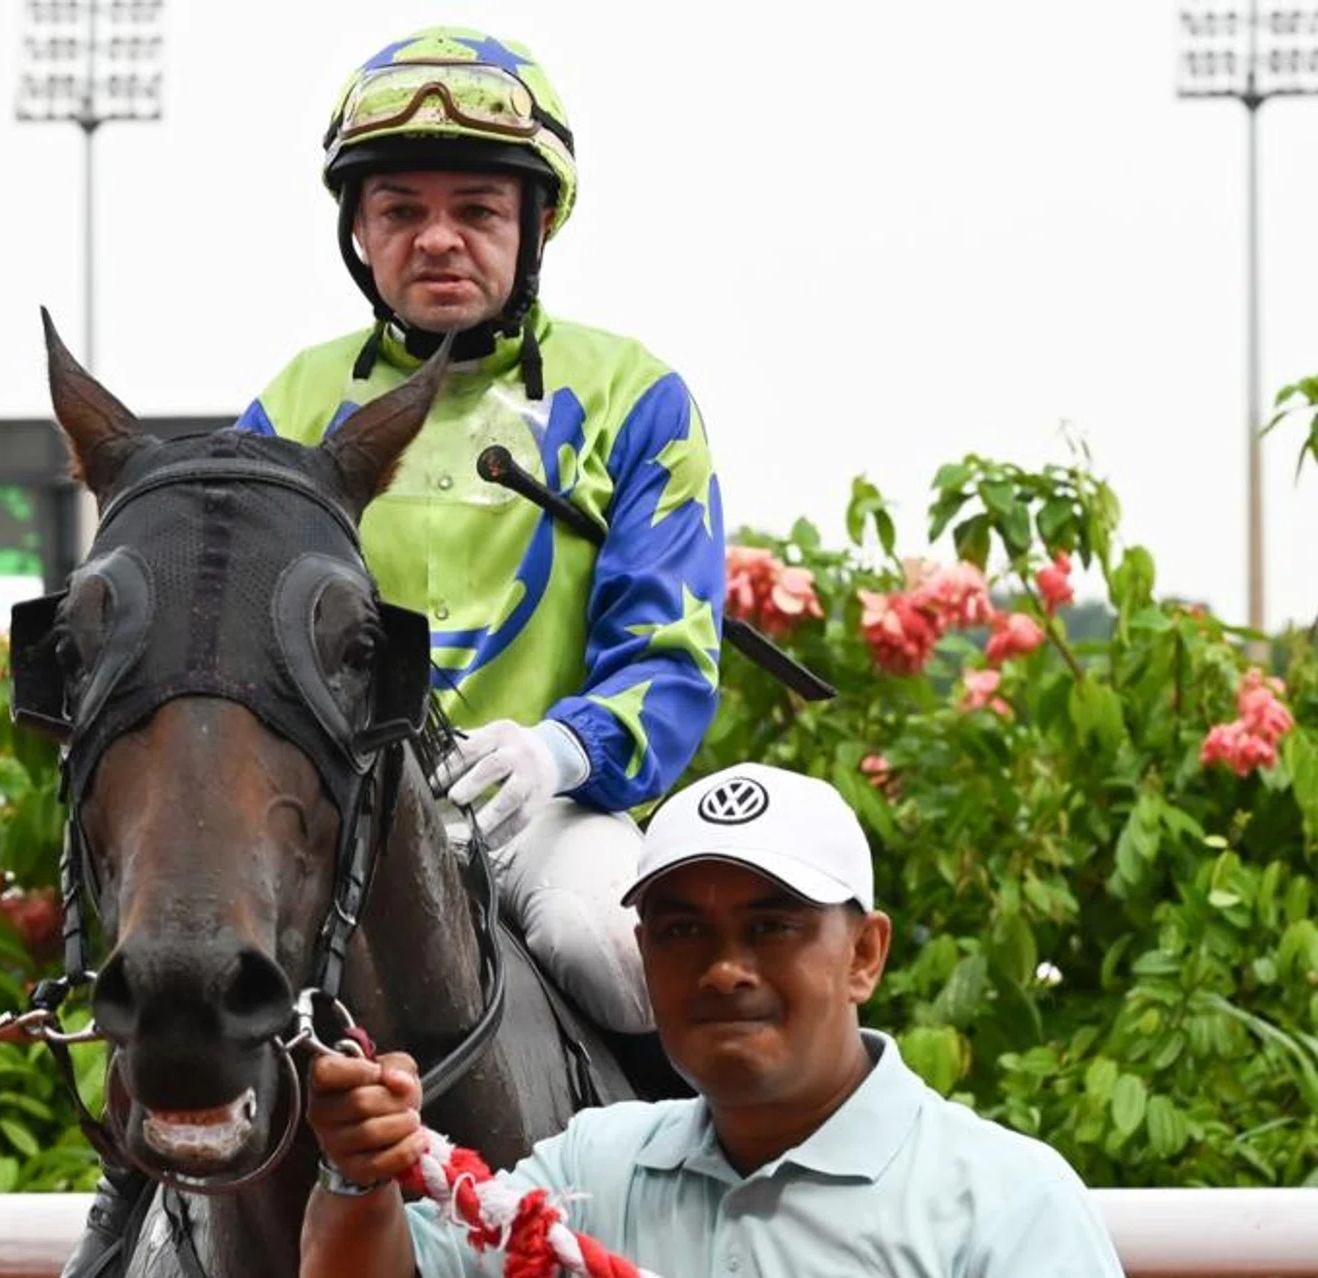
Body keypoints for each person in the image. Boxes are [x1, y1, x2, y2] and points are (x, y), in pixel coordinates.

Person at [235, 25, 726, 1044]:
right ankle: (140, 1199)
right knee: (181, 959)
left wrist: (560, 749)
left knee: (619, 952)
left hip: (544, 811)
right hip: (334, 811)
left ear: (537, 224)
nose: (439, 238)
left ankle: (696, 1195)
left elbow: (672, 657)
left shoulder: (638, 397)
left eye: (477, 209)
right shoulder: (287, 408)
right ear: (360, 232)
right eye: (401, 210)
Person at [302, 761, 1128, 1277]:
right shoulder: (596, 1169)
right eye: (682, 931)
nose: (725, 970)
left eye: (772, 927)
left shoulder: (1004, 1205)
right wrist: (356, 1173)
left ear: (866, 956)